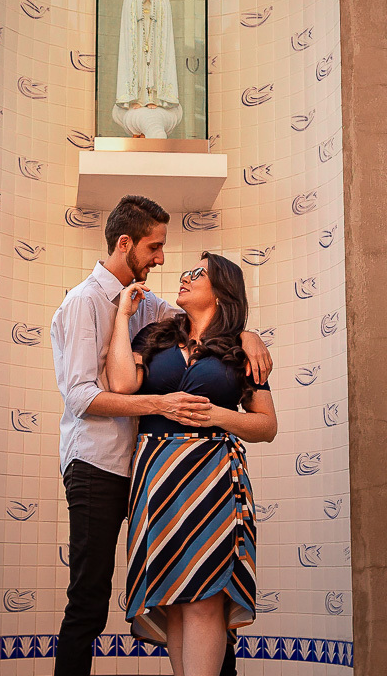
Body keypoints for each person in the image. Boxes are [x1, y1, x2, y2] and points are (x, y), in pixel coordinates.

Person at [50, 196, 272, 676]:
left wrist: (249, 336)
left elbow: (211, 320)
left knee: (203, 586)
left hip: (156, 473)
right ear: (124, 243)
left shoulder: (150, 305)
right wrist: (162, 405)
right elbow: (83, 396)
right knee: (89, 598)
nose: (162, 259)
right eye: (154, 247)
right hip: (97, 466)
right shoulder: (83, 302)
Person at [104, 253, 277, 676]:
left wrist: (219, 415)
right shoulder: (155, 334)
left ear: (221, 291)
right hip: (156, 476)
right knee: (175, 601)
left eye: (198, 273)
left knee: (204, 597)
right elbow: (122, 385)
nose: (185, 276)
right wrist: (122, 317)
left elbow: (266, 425)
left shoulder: (240, 349)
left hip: (214, 479)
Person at [113, 0, 183, 139]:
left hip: (154, 34)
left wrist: (153, 0)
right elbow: (128, 13)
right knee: (139, 64)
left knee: (154, 64)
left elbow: (164, 14)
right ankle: (137, 98)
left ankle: (154, 98)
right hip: (138, 33)